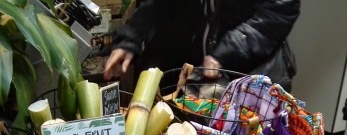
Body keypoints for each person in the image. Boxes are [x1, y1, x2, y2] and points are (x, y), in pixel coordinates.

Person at [103, 0, 300, 90]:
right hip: (202, 77)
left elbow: (279, 12)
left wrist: (224, 54)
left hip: (254, 77)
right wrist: (132, 36)